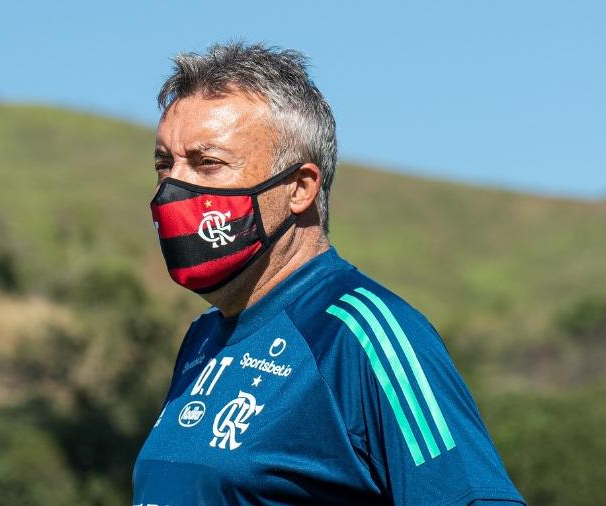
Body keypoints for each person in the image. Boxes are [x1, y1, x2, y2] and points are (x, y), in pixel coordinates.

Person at [133, 41, 525, 506]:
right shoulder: (203, 339)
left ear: (299, 188)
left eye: (208, 163)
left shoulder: (365, 335)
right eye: (165, 164)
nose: (175, 188)